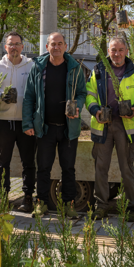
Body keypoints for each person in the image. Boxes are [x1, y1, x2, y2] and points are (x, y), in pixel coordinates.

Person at [85, 35, 134, 220]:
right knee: (100, 168)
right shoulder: (98, 70)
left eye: (121, 50)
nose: (117, 53)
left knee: (126, 168)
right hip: (103, 125)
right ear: (108, 52)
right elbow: (90, 95)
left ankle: (131, 206)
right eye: (113, 50)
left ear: (127, 51)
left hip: (125, 126)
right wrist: (95, 110)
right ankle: (101, 205)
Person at [23, 32, 87, 215]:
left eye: (60, 44)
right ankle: (41, 203)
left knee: (68, 168)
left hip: (69, 128)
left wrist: (78, 106)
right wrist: (28, 123)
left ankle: (69, 204)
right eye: (53, 44)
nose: (57, 47)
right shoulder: (38, 68)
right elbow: (29, 97)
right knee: (43, 167)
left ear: (66, 47)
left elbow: (82, 93)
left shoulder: (74, 68)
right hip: (45, 127)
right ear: (47, 47)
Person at [0, 32, 37, 212]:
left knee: (29, 162)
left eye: (17, 44)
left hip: (26, 122)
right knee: (2, 163)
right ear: (5, 47)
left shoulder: (31, 66)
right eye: (11, 44)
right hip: (4, 121)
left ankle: (28, 198)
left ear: (22, 47)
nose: (14, 47)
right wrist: (1, 96)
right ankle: (2, 198)